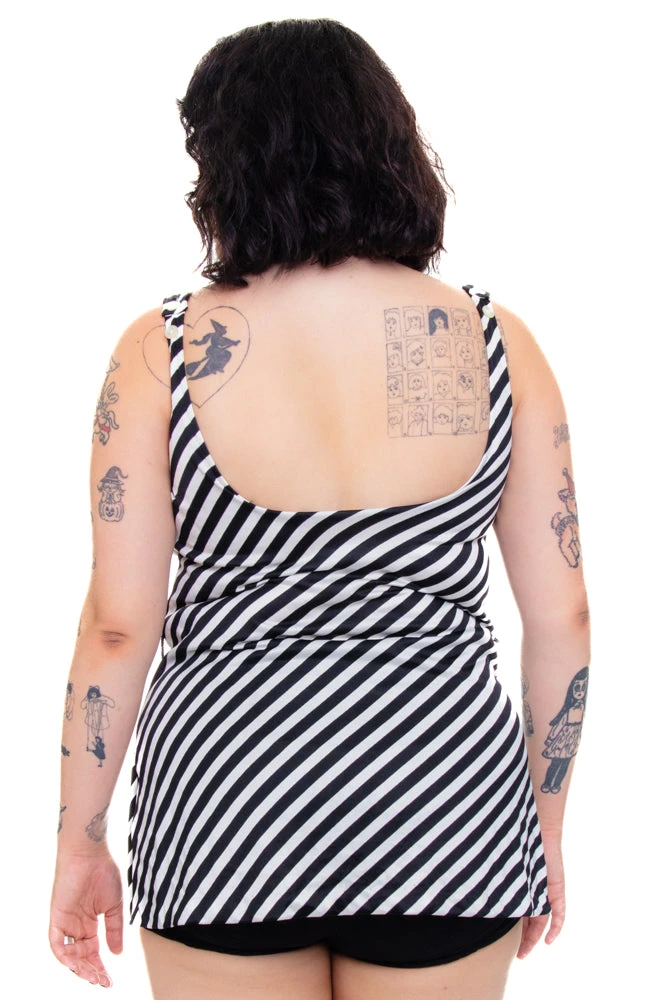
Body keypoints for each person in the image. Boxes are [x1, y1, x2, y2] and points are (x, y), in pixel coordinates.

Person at [49, 17, 591, 1000]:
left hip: (228, 808)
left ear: (228, 166)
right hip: (442, 808)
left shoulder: (158, 351)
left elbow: (119, 626)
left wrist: (79, 841)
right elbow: (564, 620)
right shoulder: (496, 343)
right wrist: (541, 824)